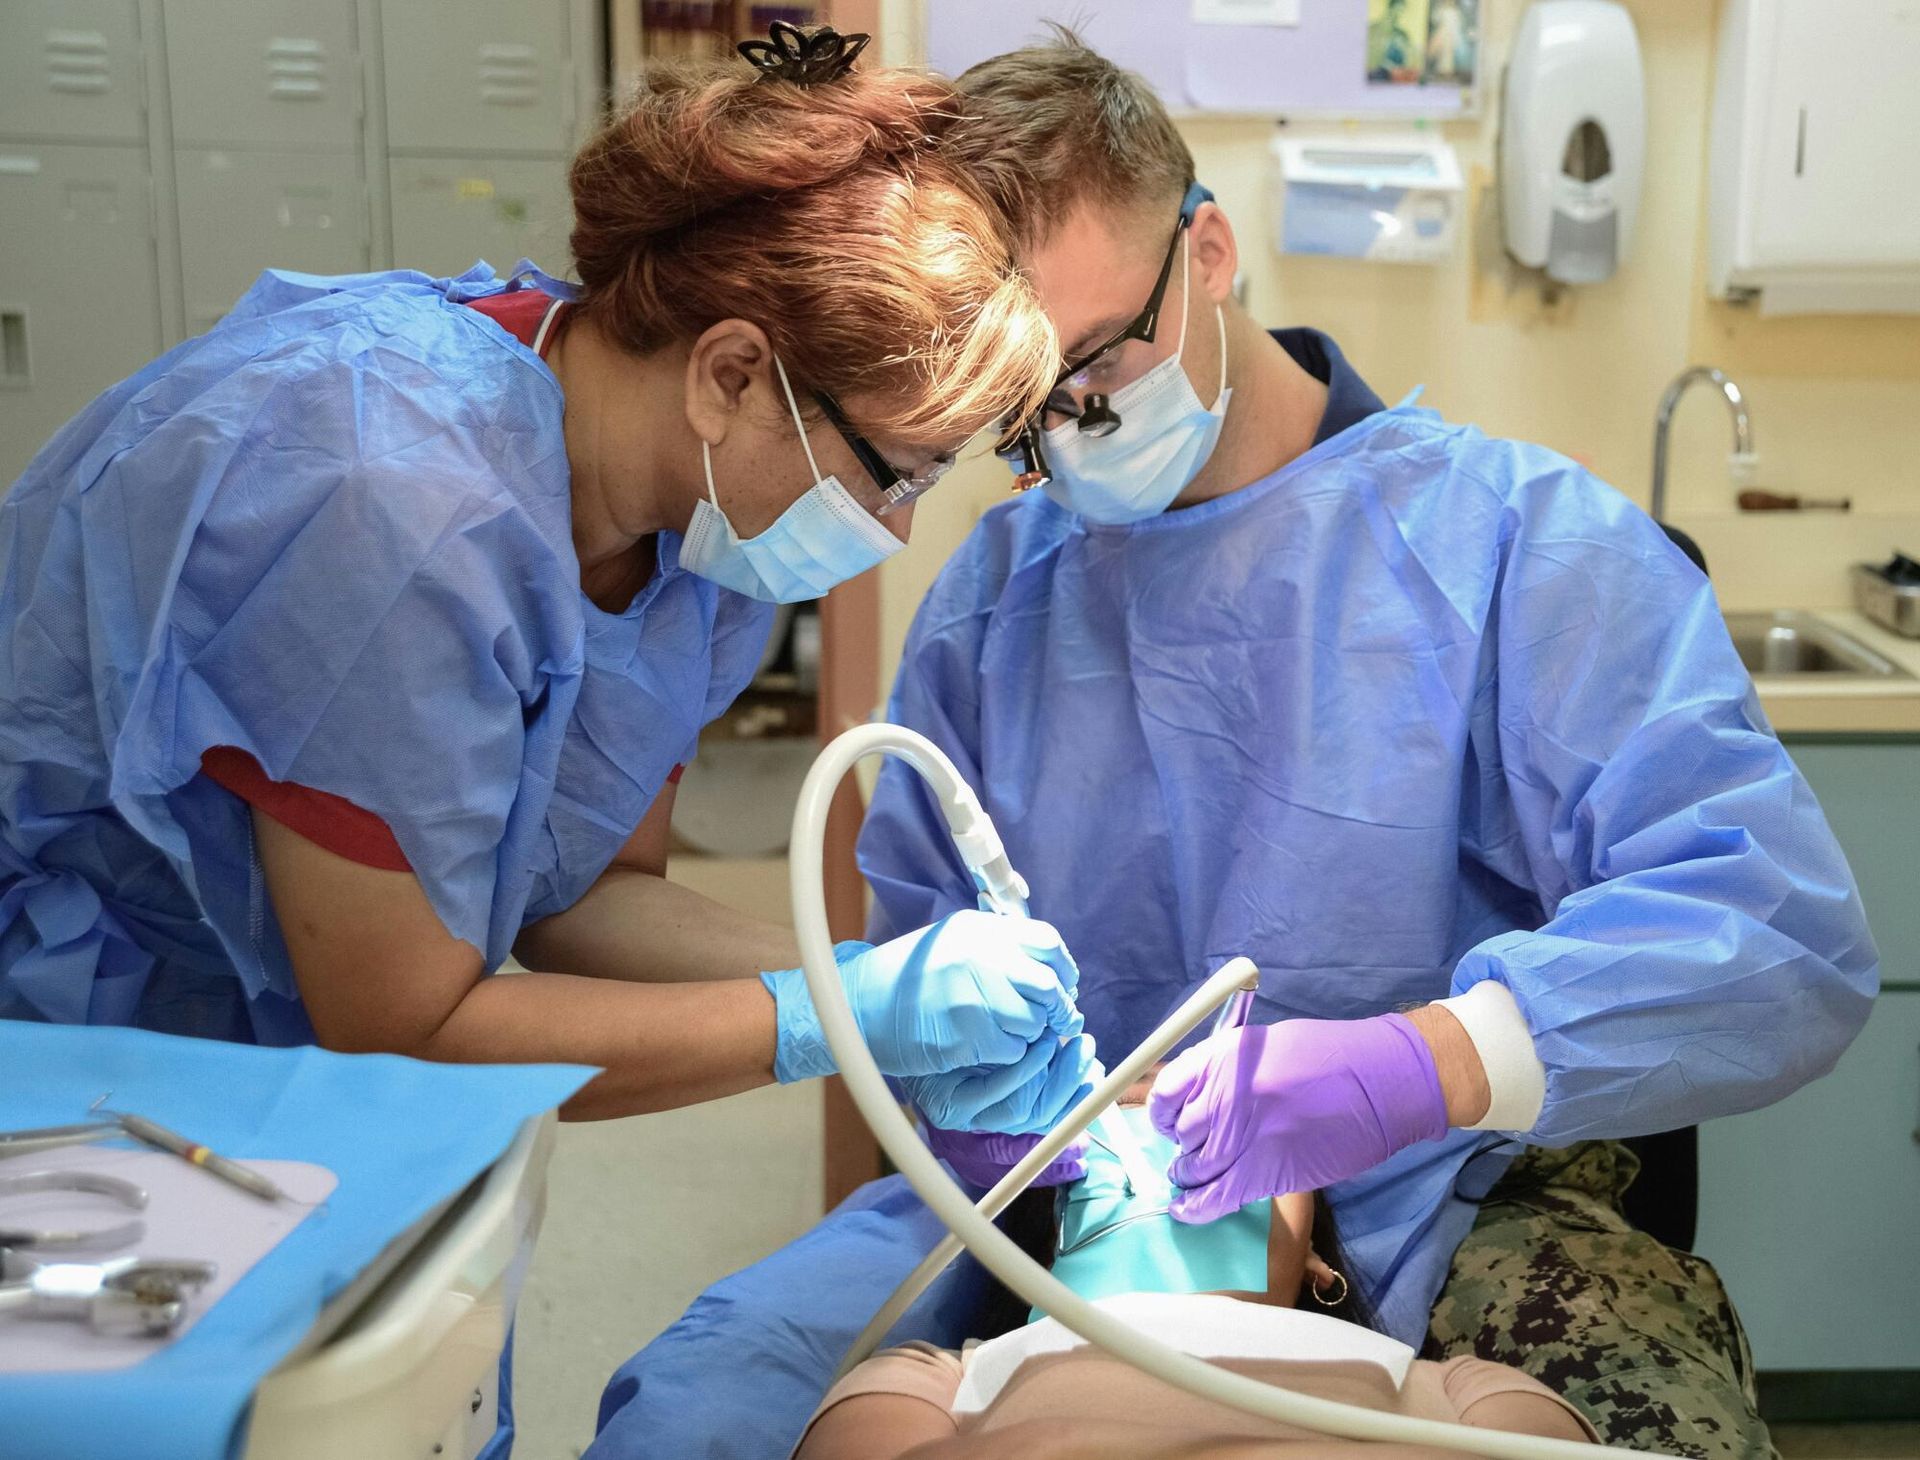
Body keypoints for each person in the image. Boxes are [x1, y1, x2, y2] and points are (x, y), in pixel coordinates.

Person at [852, 28, 1876, 1456]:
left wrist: (1428, 1063)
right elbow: (906, 980)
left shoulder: (1523, 547)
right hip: (1082, 1205)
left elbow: (1777, 934)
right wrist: (1001, 1120)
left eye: (1094, 361)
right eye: (1022, 410)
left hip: (1475, 1201)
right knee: (746, 1396)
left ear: (1207, 253)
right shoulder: (992, 600)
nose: (1073, 429)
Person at [0, 24, 1094, 1139]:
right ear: (730, 375)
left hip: (310, 1037)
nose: (895, 529)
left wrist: (884, 981)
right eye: (893, 473)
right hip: (84, 1028)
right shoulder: (398, 510)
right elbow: (407, 1034)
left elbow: (581, 893)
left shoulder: (691, 529)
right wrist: (829, 1018)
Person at [795, 1073, 1596, 1459]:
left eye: (1241, 1137)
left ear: (1319, 1261)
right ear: (1036, 1243)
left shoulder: (1452, 1385)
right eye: (1122, 1120)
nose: (1167, 1141)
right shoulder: (937, 1381)